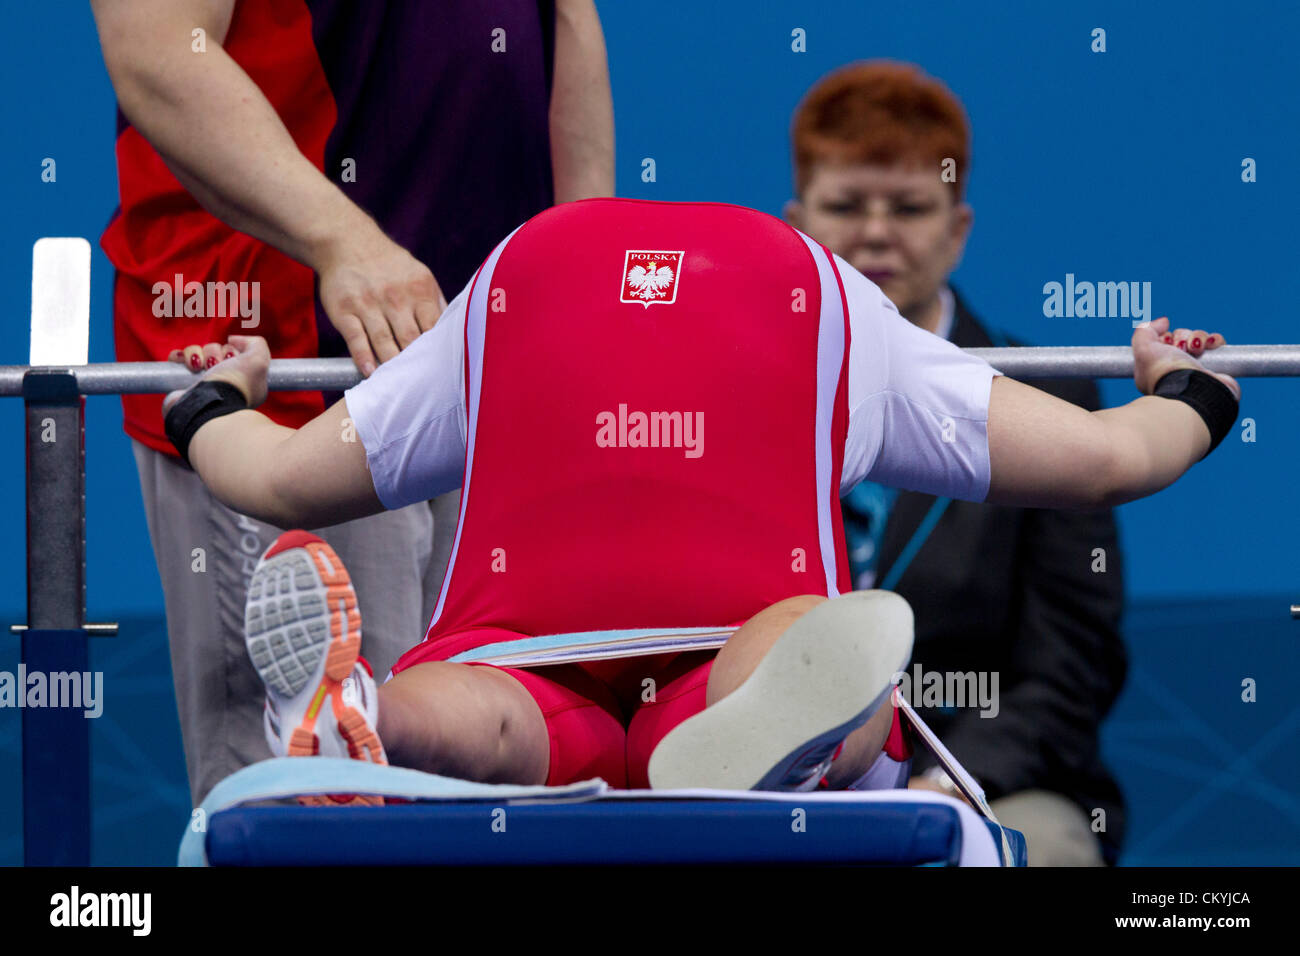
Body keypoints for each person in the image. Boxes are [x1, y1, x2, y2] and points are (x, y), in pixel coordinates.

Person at [156, 198, 1240, 806]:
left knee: (479, 711)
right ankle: (776, 733)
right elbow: (1108, 460)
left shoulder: (506, 288)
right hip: (723, 660)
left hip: (528, 664)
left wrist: (209, 393)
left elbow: (277, 479)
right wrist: (1191, 388)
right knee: (814, 649)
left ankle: (370, 717)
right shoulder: (836, 310)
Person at [90, 0, 613, 805]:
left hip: (490, 353)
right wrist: (346, 243)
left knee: (481, 782)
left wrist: (579, 276)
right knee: (319, 798)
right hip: (283, 359)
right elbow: (157, 52)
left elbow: (564, 16)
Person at [784, 61, 1131, 864]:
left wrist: (947, 788)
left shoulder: (1052, 394)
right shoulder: (741, 390)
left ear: (957, 228)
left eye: (909, 208)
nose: (876, 233)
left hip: (1000, 787)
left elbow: (1072, 663)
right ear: (797, 222)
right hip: (778, 788)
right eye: (845, 206)